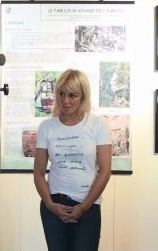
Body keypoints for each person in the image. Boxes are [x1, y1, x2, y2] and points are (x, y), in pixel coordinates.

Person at [33, 69, 112, 251]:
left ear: (83, 96)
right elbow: (38, 173)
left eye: (72, 95)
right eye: (61, 94)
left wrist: (83, 207)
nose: (65, 101)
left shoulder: (97, 125)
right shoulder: (47, 127)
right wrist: (50, 204)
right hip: (54, 206)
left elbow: (105, 171)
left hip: (87, 206)